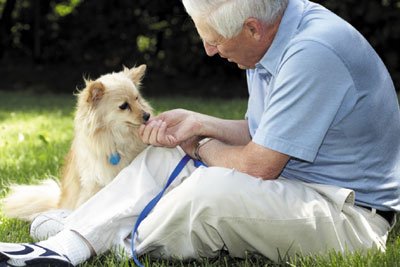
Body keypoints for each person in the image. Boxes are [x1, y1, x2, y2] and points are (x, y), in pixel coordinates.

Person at [1, 0, 399, 266]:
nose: (209, 50)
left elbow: (260, 163)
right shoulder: (274, 36)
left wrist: (200, 144)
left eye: (213, 38)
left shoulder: (313, 53)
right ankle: (69, 242)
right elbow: (265, 133)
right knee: (168, 151)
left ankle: (113, 237)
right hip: (302, 184)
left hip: (350, 216)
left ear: (252, 29)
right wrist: (199, 124)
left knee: (208, 193)